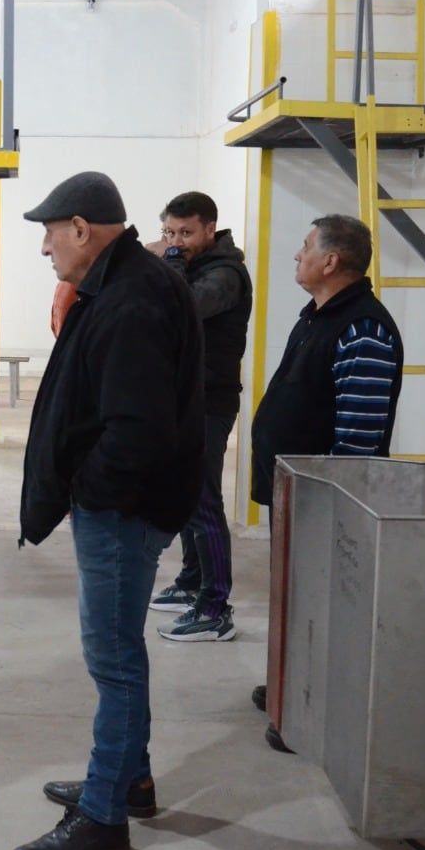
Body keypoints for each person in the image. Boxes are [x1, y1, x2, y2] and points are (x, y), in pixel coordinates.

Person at [12, 172, 206, 850]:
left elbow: (137, 432)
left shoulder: (131, 299)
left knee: (114, 661)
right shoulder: (127, 283)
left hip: (122, 512)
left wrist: (89, 491)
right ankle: (131, 778)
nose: (44, 247)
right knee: (119, 654)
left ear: (82, 228)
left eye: (48, 231)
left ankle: (102, 813)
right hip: (125, 506)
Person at [249, 213, 404, 752]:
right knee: (295, 598)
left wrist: (334, 502)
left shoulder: (363, 328)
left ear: (331, 261)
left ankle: (310, 711)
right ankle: (294, 685)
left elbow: (358, 437)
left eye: (304, 247)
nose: (297, 256)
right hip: (296, 490)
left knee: (322, 604)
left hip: (324, 498)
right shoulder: (319, 316)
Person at [144, 192, 253, 643]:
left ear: (211, 229)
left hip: (210, 403)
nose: (178, 241)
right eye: (170, 232)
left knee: (204, 502)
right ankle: (192, 581)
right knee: (189, 498)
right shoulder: (199, 265)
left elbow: (180, 306)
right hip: (187, 400)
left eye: (186, 233)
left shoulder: (225, 275)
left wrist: (166, 257)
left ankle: (215, 608)